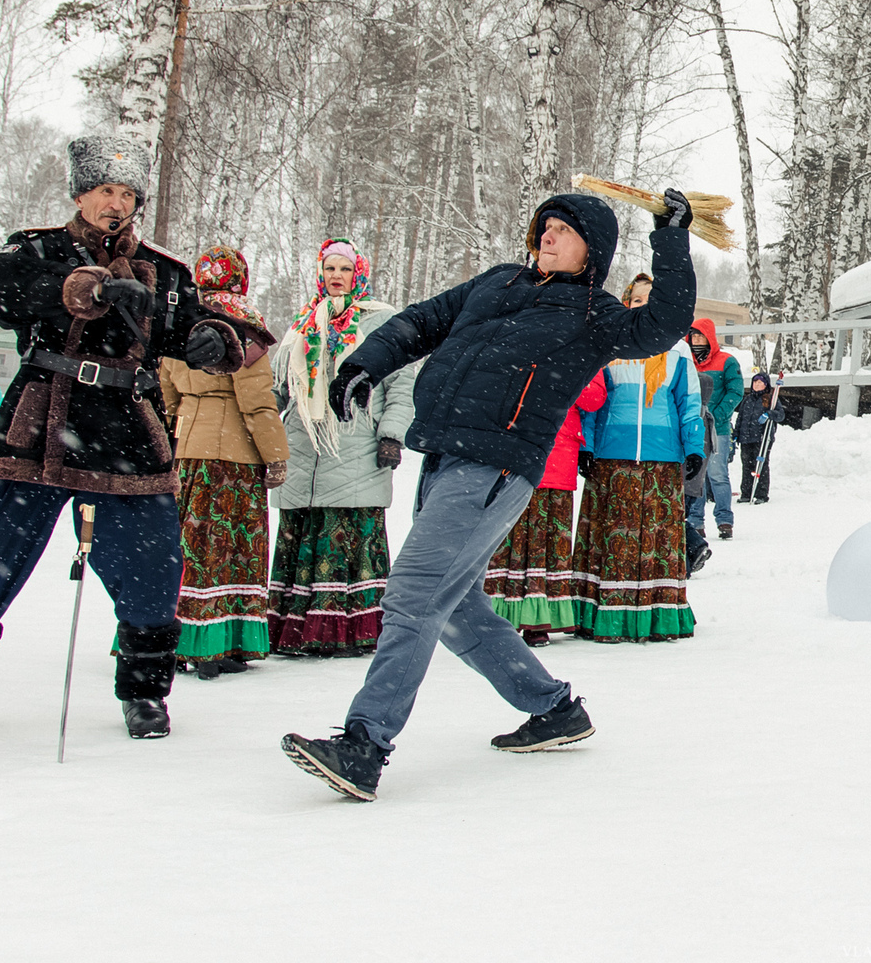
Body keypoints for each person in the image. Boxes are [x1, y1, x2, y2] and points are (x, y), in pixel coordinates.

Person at [280, 190, 698, 801]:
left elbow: (662, 322)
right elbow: (419, 321)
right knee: (454, 605)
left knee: (416, 593)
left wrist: (671, 239)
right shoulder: (498, 282)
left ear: (593, 250)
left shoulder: (596, 313)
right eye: (544, 226)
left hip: (496, 464)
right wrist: (363, 363)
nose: (547, 236)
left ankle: (364, 745)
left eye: (563, 230)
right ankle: (553, 708)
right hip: (445, 455)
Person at [0, 135, 247, 738]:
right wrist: (87, 287)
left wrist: (212, 338)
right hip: (40, 426)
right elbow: (4, 293)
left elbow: (201, 324)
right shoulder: (37, 249)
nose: (116, 203)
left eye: (127, 193)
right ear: (80, 194)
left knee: (153, 564)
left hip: (126, 432)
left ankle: (146, 693)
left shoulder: (166, 271)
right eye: (105, 190)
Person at [266, 239, 414, 657]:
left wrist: (391, 435)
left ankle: (349, 631)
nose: (336, 277)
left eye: (344, 270)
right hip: (303, 447)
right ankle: (297, 630)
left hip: (356, 446)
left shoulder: (381, 322)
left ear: (359, 275)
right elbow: (278, 389)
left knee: (345, 537)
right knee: (306, 535)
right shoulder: (302, 324)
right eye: (329, 269)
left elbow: (402, 384)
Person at [158, 245, 288, 678]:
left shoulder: (182, 322)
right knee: (229, 550)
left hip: (186, 453)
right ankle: (225, 641)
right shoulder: (244, 328)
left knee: (186, 548)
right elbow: (257, 404)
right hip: (234, 457)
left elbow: (167, 394)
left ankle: (174, 637)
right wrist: (277, 456)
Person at [572, 272, 707, 641]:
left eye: (651, 301)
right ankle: (607, 617)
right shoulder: (610, 348)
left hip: (662, 458)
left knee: (656, 541)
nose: (642, 307)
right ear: (625, 304)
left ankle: (658, 616)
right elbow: (593, 403)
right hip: (612, 457)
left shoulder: (678, 351)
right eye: (636, 301)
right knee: (616, 537)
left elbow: (690, 404)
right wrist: (586, 445)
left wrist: (693, 447)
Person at [486, 372, 606, 646]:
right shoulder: (519, 339)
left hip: (560, 452)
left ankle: (540, 618)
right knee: (511, 536)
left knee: (552, 539)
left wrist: (563, 376)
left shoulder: (586, 349)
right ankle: (500, 614)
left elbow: (594, 399)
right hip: (517, 447)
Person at [684, 318, 742, 539]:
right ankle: (696, 521)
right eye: (693, 336)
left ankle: (725, 520)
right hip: (693, 428)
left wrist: (715, 415)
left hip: (717, 428)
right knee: (695, 476)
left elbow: (735, 391)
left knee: (717, 475)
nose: (697, 340)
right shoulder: (686, 361)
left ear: (709, 337)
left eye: (700, 336)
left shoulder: (727, 361)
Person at [734, 372, 784, 503]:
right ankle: (746, 492)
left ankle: (761, 494)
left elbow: (781, 415)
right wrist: (736, 434)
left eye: (760, 382)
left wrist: (769, 414)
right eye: (755, 382)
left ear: (766, 385)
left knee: (760, 464)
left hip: (761, 438)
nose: (757, 384)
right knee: (747, 465)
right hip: (746, 437)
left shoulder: (770, 399)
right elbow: (741, 418)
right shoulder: (747, 400)